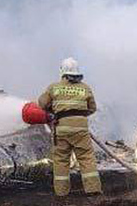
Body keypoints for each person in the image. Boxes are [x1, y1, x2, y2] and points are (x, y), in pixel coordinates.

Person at [38, 58, 102, 197]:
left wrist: (55, 109)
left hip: (61, 128)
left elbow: (42, 104)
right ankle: (93, 190)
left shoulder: (54, 87)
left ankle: (61, 193)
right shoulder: (85, 88)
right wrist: (79, 116)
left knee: (61, 159)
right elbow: (93, 108)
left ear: (62, 72)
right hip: (81, 129)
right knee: (86, 158)